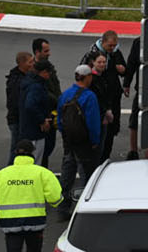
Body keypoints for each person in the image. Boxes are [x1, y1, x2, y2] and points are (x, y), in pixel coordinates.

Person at [0, 140, 62, 252]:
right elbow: (55, 199)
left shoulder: (0, 175)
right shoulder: (43, 173)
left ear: (16, 153)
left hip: (9, 222)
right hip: (35, 222)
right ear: (32, 153)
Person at [81, 30, 134, 162]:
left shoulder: (116, 52)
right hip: (98, 98)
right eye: (110, 45)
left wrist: (122, 70)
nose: (112, 48)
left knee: (111, 128)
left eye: (114, 45)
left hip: (113, 96)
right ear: (103, 42)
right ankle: (95, 157)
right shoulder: (91, 53)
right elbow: (81, 73)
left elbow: (124, 70)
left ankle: (105, 156)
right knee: (98, 128)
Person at [57, 64, 102, 210]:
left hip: (69, 141)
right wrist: (95, 141)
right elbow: (93, 122)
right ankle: (83, 208)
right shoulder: (89, 96)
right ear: (88, 77)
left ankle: (63, 207)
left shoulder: (65, 94)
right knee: (86, 175)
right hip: (84, 142)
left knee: (67, 173)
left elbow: (60, 120)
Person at [18, 59, 57, 169]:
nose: (49, 75)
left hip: (27, 129)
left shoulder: (29, 82)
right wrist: (42, 120)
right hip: (35, 133)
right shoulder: (37, 86)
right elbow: (30, 105)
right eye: (49, 72)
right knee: (36, 162)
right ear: (43, 72)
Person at [30, 39, 62, 168]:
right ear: (37, 52)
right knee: (40, 151)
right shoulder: (32, 72)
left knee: (49, 147)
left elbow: (55, 86)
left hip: (52, 113)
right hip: (42, 117)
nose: (49, 53)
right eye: (46, 51)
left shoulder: (49, 67)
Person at [5, 51, 34, 160]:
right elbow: (15, 103)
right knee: (16, 147)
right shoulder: (16, 82)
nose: (32, 64)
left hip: (20, 119)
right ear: (22, 63)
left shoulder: (24, 77)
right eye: (30, 62)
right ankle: (11, 168)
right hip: (17, 120)